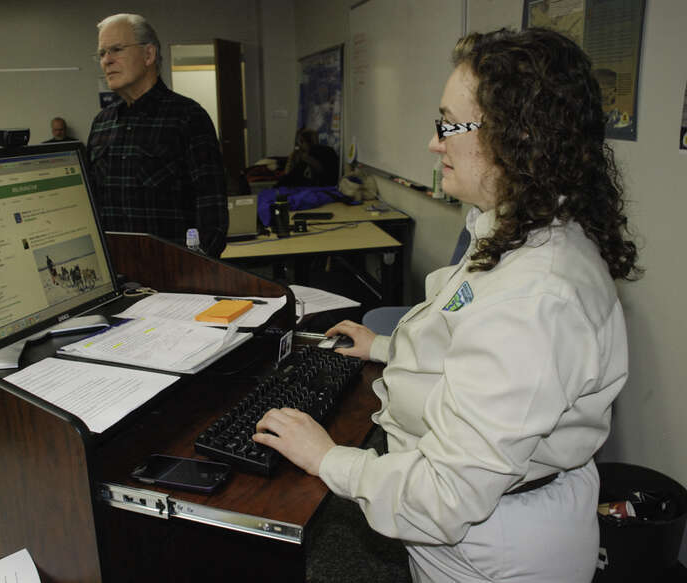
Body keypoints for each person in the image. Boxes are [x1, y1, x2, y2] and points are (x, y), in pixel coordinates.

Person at [254, 28, 641, 583]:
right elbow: (470, 335)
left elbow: (445, 496)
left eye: (450, 124)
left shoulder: (536, 298)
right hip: (486, 520)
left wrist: (326, 457)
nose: (436, 143)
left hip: (489, 546)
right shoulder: (512, 225)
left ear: (519, 136)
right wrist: (383, 346)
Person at [87, 13, 228, 257]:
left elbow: (212, 212)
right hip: (119, 279)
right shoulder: (101, 123)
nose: (106, 61)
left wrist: (196, 274)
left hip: (173, 278)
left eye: (116, 50)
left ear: (149, 55)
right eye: (102, 54)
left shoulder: (188, 117)